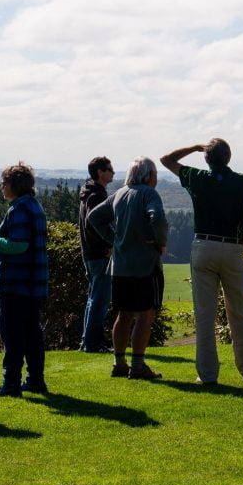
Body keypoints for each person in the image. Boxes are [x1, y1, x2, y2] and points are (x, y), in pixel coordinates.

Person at [161, 139, 243, 385]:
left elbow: (167, 159)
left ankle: (207, 375)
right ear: (228, 157)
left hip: (203, 246)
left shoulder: (197, 177)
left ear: (207, 158)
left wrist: (194, 147)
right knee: (239, 310)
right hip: (232, 247)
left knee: (205, 314)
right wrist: (242, 246)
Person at [88, 157, 168, 380]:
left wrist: (114, 240)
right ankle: (138, 365)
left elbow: (94, 217)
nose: (157, 178)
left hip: (119, 267)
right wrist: (160, 242)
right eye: (155, 174)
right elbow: (158, 217)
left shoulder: (119, 194)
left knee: (123, 315)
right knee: (146, 314)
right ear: (149, 175)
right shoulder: (148, 194)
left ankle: (119, 363)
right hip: (145, 265)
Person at [0, 163, 49, 397]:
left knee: (11, 333)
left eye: (4, 182)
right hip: (34, 281)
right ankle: (35, 380)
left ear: (15, 185)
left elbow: (18, 245)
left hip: (15, 281)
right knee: (32, 332)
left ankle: (10, 383)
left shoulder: (18, 209)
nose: (2, 186)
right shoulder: (35, 206)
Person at [78, 156, 115, 353]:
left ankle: (87, 341)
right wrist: (110, 243)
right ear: (100, 172)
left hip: (90, 253)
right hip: (99, 254)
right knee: (100, 301)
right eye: (109, 169)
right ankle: (93, 343)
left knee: (93, 298)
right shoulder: (97, 196)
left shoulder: (88, 192)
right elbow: (95, 223)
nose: (113, 172)